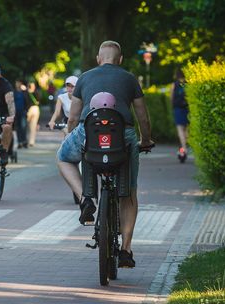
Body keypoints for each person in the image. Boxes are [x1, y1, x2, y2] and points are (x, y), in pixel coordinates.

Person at [57, 40, 154, 268]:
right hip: (123, 136)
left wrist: (73, 137)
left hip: (88, 134)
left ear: (98, 59)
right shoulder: (130, 78)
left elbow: (73, 117)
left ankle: (85, 197)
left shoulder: (84, 78)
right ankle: (126, 251)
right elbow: (143, 117)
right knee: (129, 192)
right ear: (120, 59)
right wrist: (146, 140)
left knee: (62, 158)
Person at [171, 69, 189, 161]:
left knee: (180, 129)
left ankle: (184, 148)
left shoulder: (175, 84)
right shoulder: (187, 83)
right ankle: (185, 145)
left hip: (178, 108)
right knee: (185, 128)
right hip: (186, 108)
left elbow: (171, 97)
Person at [14, 80, 29, 148]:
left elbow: (28, 101)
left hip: (23, 112)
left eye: (19, 83)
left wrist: (26, 90)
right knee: (18, 128)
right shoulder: (14, 92)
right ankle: (20, 142)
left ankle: (24, 141)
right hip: (15, 113)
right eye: (17, 83)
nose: (18, 84)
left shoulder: (24, 92)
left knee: (23, 127)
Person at [27, 81, 41, 147]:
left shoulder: (27, 93)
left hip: (30, 109)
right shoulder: (37, 92)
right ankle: (31, 141)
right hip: (35, 109)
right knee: (32, 126)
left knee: (30, 126)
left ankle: (29, 141)